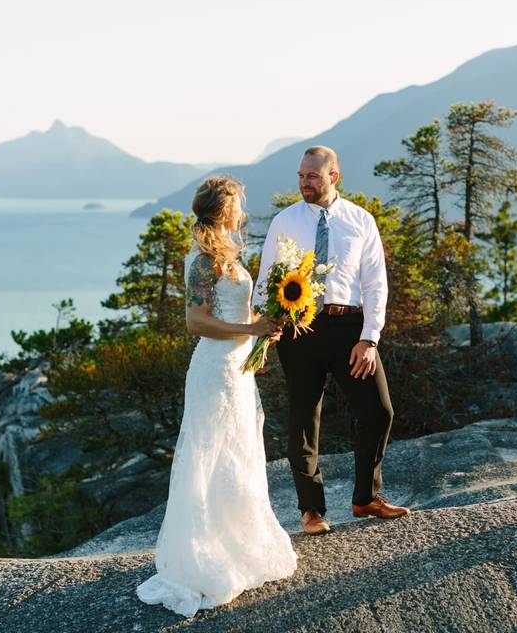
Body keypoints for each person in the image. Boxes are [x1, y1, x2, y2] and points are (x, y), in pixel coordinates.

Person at [136, 175, 296, 617]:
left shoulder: (226, 250)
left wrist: (266, 328)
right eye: (239, 202)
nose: (242, 208)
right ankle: (206, 555)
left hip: (238, 368)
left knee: (238, 454)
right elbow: (196, 323)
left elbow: (237, 311)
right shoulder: (205, 257)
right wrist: (249, 329)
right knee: (211, 457)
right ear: (225, 207)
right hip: (215, 369)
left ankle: (237, 546)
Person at [254, 145, 409, 536]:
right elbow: (265, 280)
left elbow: (376, 284)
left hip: (349, 330)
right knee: (304, 420)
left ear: (333, 177)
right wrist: (261, 334)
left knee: (378, 411)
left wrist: (370, 339)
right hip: (298, 330)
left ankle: (365, 498)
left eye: (313, 177)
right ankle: (311, 510)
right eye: (301, 176)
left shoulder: (361, 221)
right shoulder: (285, 221)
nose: (305, 183)